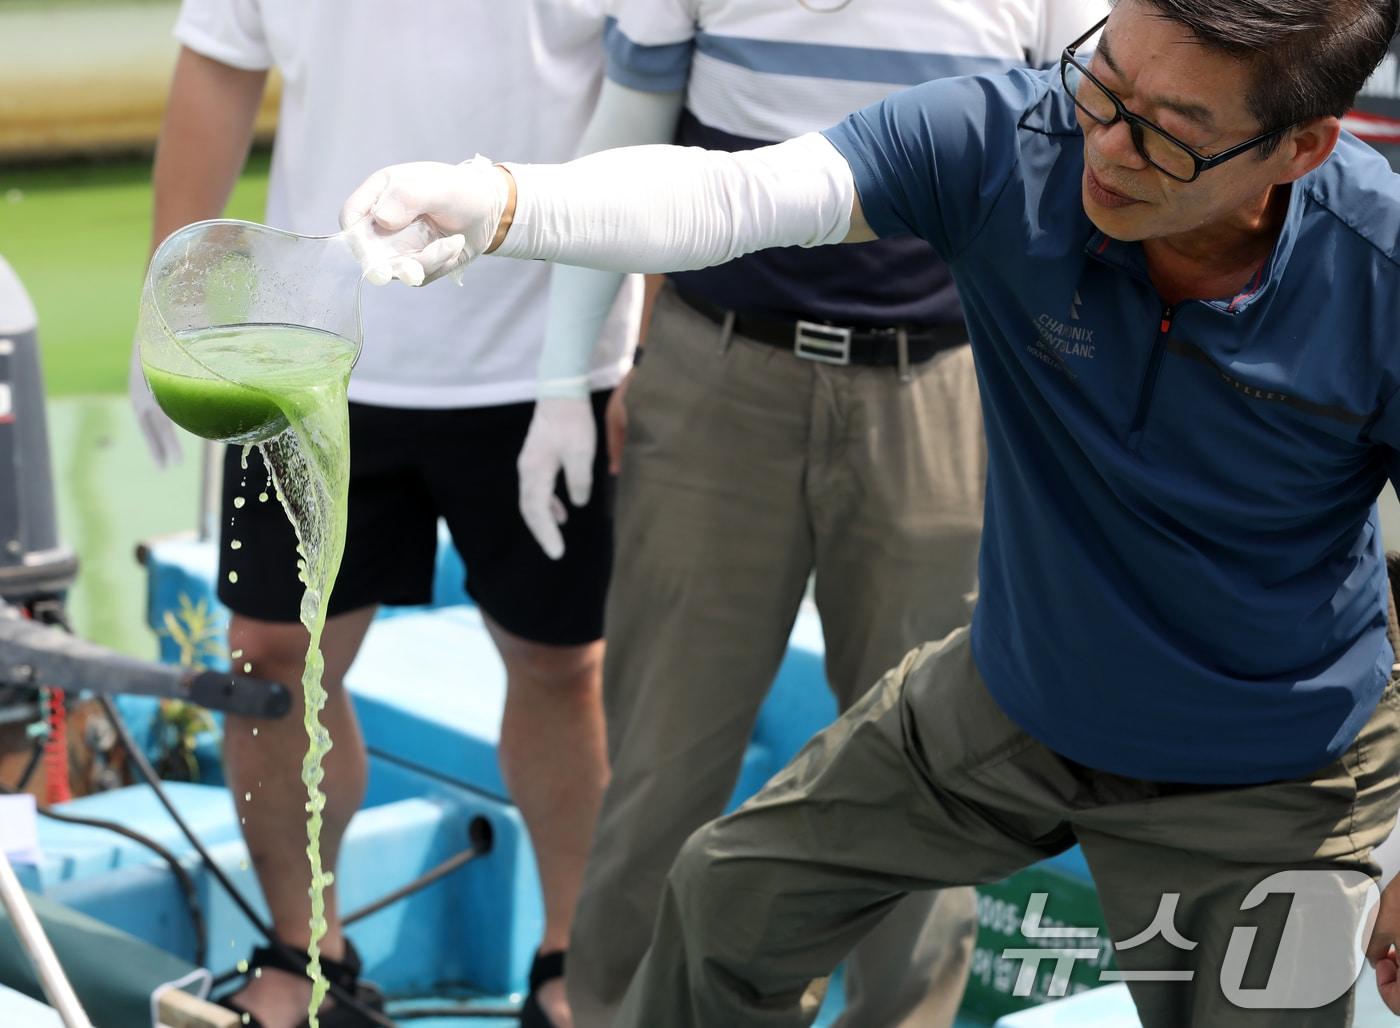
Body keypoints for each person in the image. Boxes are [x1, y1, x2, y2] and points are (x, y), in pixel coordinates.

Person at [343, 0, 1400, 1023]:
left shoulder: (1379, 272)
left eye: (1169, 133)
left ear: (1300, 147)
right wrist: (499, 204)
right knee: (730, 895)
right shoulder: (1007, 140)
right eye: (1103, 82)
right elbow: (740, 194)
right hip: (1022, 693)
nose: (1108, 147)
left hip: (1270, 762)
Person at [509, 1, 1104, 1025]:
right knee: (661, 763)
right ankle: (615, 1012)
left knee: (935, 767)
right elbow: (621, 144)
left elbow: (1092, 183)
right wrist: (564, 376)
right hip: (717, 373)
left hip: (944, 385)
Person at [127, 3, 641, 1026]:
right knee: (269, 656)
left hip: (544, 352)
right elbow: (218, 67)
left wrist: (649, 344)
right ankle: (303, 949)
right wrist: (166, 304)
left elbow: (655, 93)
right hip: (304, 341)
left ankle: (571, 956)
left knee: (560, 662)